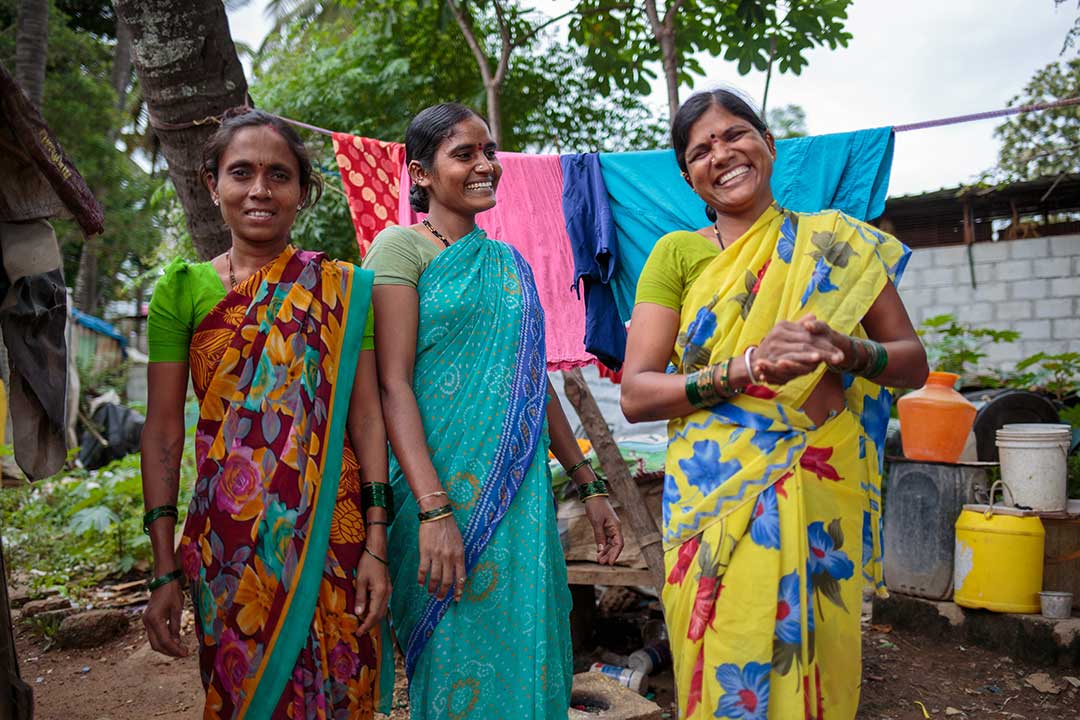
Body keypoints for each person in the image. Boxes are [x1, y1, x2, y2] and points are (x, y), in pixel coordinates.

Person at [620, 89, 928, 720]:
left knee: (816, 668)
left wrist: (847, 351)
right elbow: (636, 392)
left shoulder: (837, 246)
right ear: (687, 176)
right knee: (732, 677)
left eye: (735, 135)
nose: (722, 154)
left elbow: (912, 363)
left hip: (819, 485)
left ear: (769, 143)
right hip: (717, 495)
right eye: (702, 149)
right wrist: (743, 369)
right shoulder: (676, 254)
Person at [363, 102, 624, 719]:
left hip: (519, 501)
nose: (485, 165)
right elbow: (391, 386)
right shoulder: (398, 250)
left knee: (530, 654)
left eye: (489, 152)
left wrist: (589, 484)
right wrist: (433, 510)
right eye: (464, 154)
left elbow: (535, 389)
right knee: (456, 665)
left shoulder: (511, 265)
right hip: (437, 498)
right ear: (420, 173)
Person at [140, 108, 391, 719]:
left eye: (278, 175)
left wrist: (378, 540)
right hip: (229, 544)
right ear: (212, 184)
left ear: (302, 192)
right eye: (241, 173)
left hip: (336, 533)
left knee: (340, 690)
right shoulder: (184, 290)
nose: (260, 189)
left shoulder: (342, 290)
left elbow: (366, 419)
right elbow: (165, 432)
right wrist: (163, 568)